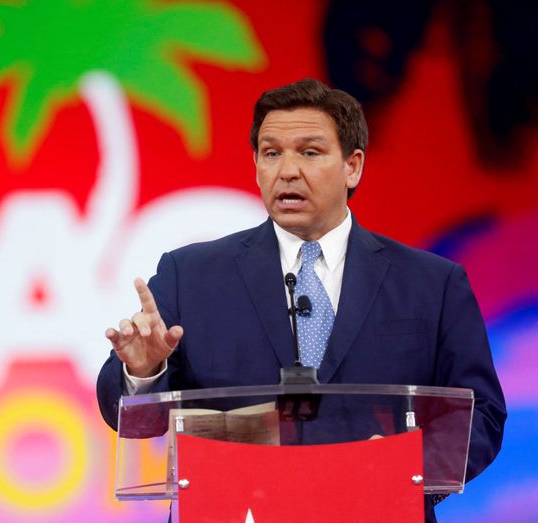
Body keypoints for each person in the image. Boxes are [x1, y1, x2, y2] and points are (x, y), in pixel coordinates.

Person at [96, 78, 506, 521]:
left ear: (353, 166)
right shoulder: (190, 275)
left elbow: (481, 415)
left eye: (309, 152)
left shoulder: (431, 283)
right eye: (272, 153)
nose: (287, 170)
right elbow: (130, 418)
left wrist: (403, 468)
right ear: (255, 164)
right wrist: (143, 370)